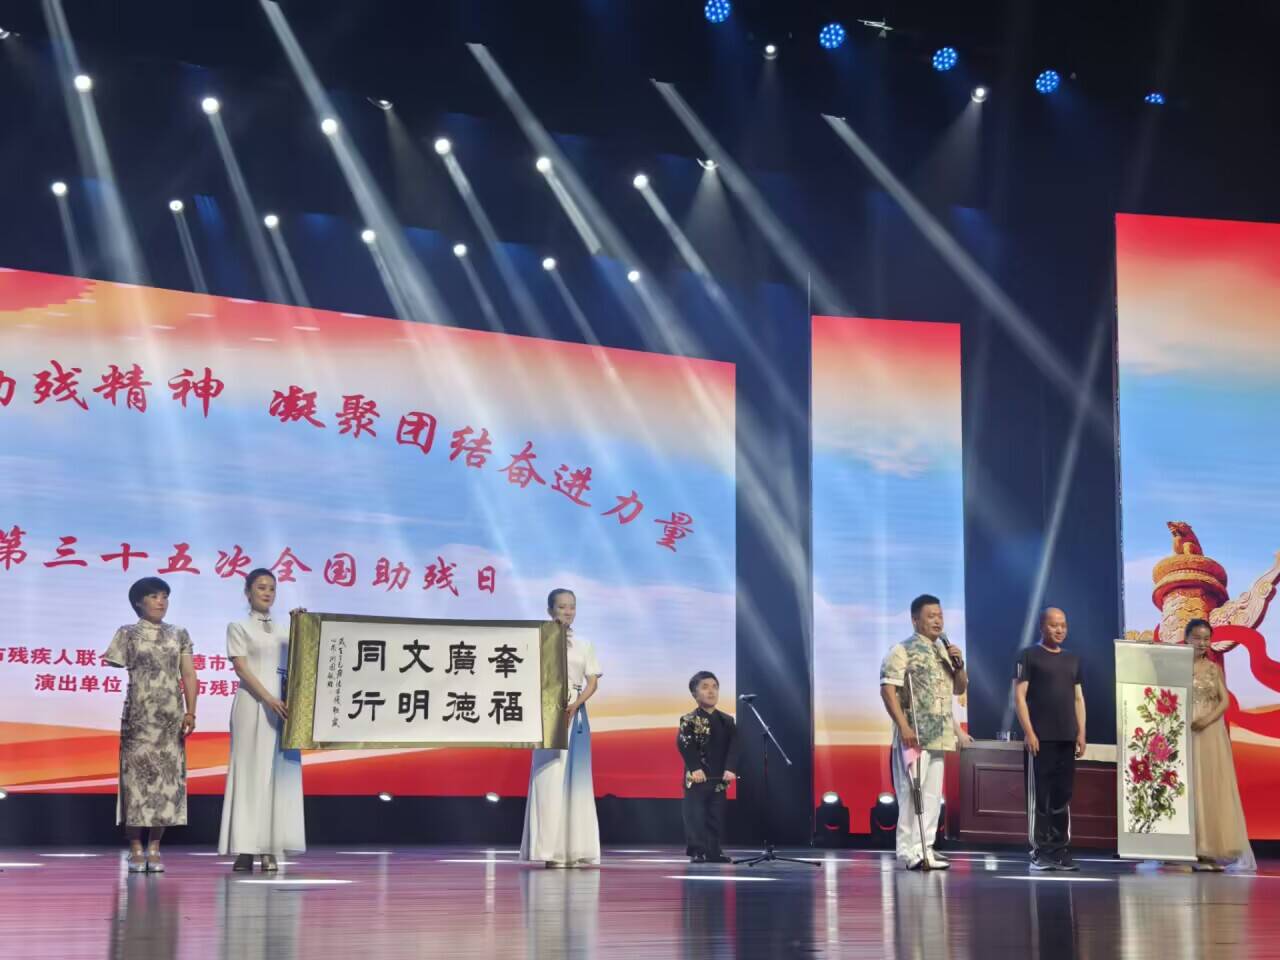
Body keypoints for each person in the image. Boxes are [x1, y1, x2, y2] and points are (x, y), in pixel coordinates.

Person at [102, 577, 198, 873]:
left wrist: (191, 712)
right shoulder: (127, 633)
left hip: (170, 719)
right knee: (136, 783)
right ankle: (135, 847)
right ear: (138, 602)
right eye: (154, 596)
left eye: (165, 596)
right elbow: (114, 661)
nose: (161, 601)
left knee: (166, 783)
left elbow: (189, 675)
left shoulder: (179, 633)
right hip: (139, 719)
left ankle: (155, 847)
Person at [218, 568, 306, 872]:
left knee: (277, 777)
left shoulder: (284, 631)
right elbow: (241, 668)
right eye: (261, 588)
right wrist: (268, 698)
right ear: (248, 592)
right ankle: (245, 848)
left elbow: (303, 661)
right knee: (249, 773)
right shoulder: (238, 627)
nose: (267, 593)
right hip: (252, 704)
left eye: (272, 588)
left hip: (283, 708)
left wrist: (302, 628)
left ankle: (270, 847)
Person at [879, 594, 967, 870]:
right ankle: (908, 851)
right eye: (931, 616)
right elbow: (887, 690)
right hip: (914, 735)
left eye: (940, 616)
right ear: (915, 619)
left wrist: (960, 665)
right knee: (911, 793)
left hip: (939, 736)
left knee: (931, 796)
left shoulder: (944, 652)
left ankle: (925, 847)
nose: (937, 621)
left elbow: (959, 688)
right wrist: (903, 726)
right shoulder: (902, 650)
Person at [521, 588, 603, 867]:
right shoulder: (538, 641)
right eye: (561, 607)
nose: (568, 612)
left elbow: (592, 681)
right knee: (548, 777)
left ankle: (573, 849)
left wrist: (575, 705)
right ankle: (548, 851)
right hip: (546, 711)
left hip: (574, 712)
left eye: (572, 607)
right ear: (549, 610)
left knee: (575, 779)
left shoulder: (584, 644)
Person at [1014, 607, 1086, 871]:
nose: (1060, 630)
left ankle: (1059, 850)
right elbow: (1019, 696)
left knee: (1061, 797)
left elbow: (1078, 698)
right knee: (1040, 798)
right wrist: (1030, 732)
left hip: (1066, 738)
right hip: (1040, 739)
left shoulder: (1072, 659)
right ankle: (1039, 851)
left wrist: (1081, 732)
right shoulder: (1028, 655)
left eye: (1063, 625)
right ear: (1042, 627)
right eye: (1054, 625)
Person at [1187, 618, 1256, 872]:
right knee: (1191, 786)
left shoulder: (1214, 669)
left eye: (1206, 639)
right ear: (1187, 638)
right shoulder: (1176, 667)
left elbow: (1224, 701)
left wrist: (1206, 720)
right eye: (1197, 638)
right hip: (1185, 730)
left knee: (1211, 786)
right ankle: (1192, 850)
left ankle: (1211, 850)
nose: (1202, 643)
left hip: (1210, 732)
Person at [677, 670, 739, 863]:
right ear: (694, 694)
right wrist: (695, 768)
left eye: (715, 687)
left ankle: (714, 851)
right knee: (695, 815)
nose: (711, 691)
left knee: (715, 816)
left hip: (719, 778)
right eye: (705, 687)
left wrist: (730, 768)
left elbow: (735, 746)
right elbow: (684, 745)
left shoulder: (727, 720)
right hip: (697, 777)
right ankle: (697, 851)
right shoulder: (688, 720)